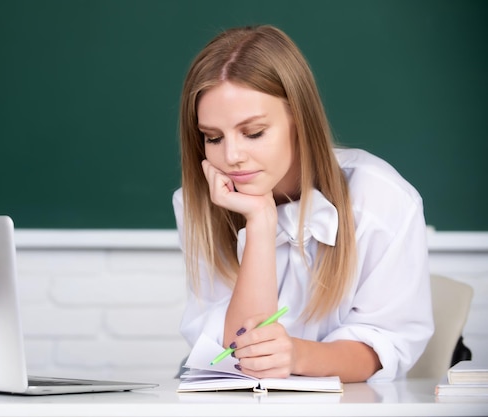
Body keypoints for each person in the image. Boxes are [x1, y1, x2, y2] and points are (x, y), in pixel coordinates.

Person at [172, 25, 433, 383]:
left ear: (299, 119)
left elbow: (382, 347)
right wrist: (260, 222)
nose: (231, 156)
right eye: (213, 138)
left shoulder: (381, 200)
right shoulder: (199, 202)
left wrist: (296, 355)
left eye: (254, 132)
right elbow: (237, 355)